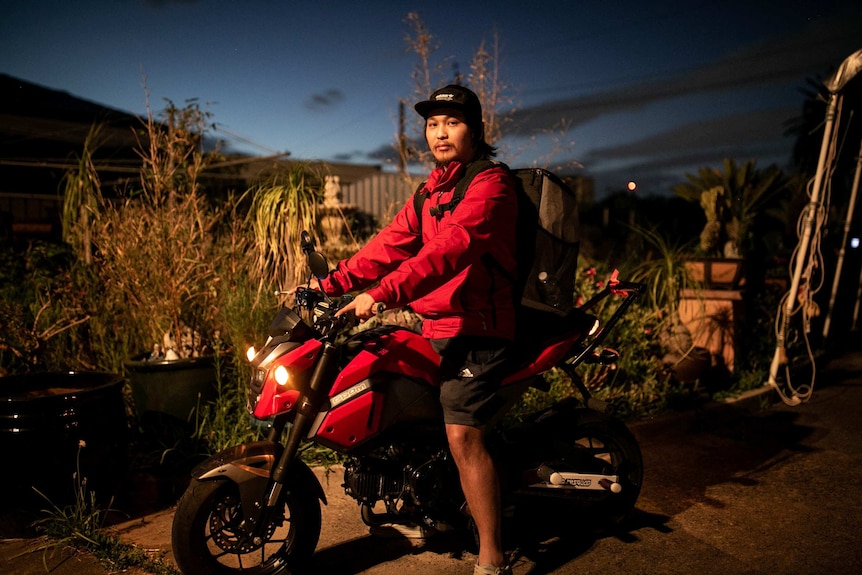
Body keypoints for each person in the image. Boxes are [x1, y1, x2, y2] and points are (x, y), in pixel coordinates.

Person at [311, 84, 517, 575]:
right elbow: (389, 245)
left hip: (480, 330)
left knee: (462, 435)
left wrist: (379, 296)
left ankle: (492, 554)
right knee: (393, 396)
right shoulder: (430, 191)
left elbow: (447, 252)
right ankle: (428, 506)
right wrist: (330, 283)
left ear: (475, 129)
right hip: (438, 325)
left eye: (452, 122)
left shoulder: (492, 185)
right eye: (432, 123)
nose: (440, 132)